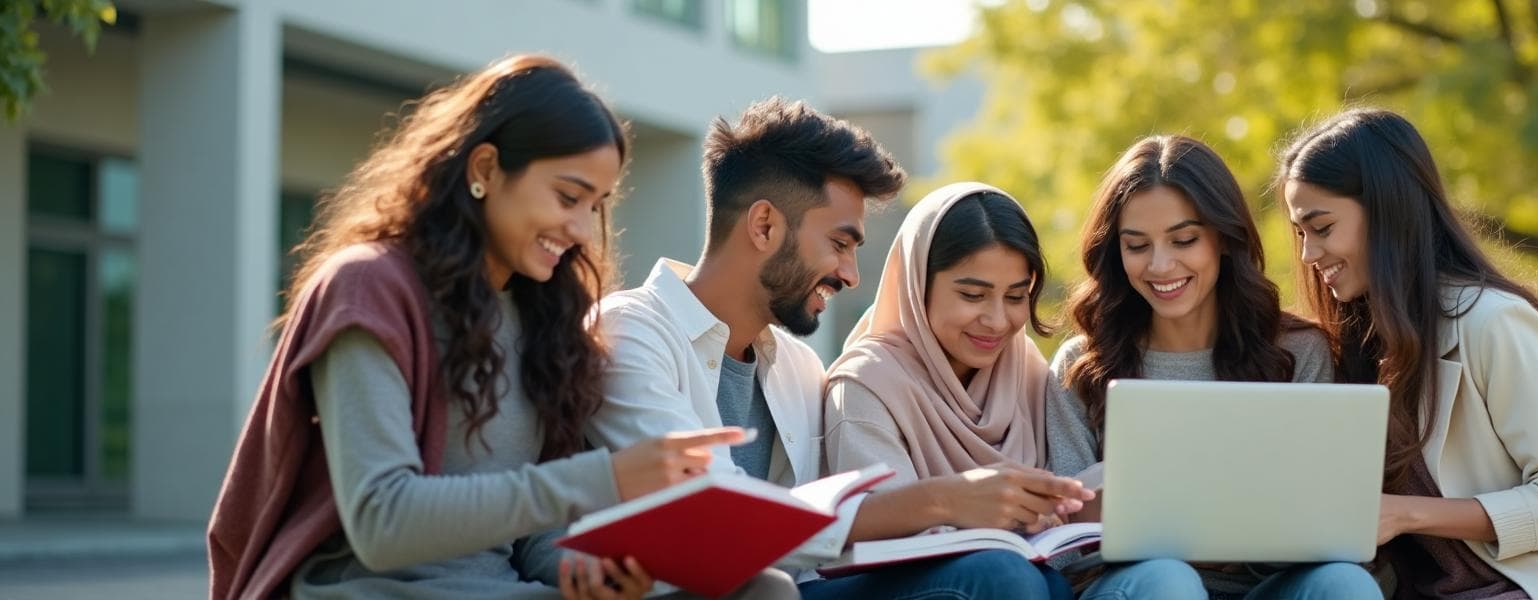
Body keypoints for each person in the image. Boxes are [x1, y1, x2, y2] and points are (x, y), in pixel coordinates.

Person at [207, 55, 783, 600]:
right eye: (567, 197)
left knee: (764, 588)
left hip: (504, 588)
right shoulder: (368, 288)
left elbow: (529, 539)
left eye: (596, 205)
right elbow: (381, 521)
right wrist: (606, 477)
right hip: (374, 590)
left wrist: (584, 568)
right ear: (484, 168)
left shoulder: (544, 317)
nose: (583, 229)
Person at [591, 99, 1088, 599]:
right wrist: (941, 501)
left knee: (1035, 579)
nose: (851, 275)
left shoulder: (799, 369)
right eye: (839, 243)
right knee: (996, 577)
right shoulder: (631, 332)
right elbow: (720, 519)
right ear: (764, 225)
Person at [1276, 107, 1538, 599]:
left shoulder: (1494, 323)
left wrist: (1403, 514)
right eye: (1299, 232)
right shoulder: (1354, 342)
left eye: (1321, 228)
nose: (1308, 255)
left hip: (1537, 586)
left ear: (1387, 211)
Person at [824, 181, 1204, 599]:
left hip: (1030, 580)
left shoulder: (1022, 369)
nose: (997, 320)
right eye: (973, 295)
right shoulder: (866, 383)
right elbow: (869, 524)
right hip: (923, 587)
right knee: (1010, 576)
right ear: (917, 285)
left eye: (1016, 296)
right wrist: (971, 507)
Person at [1048, 135, 1381, 599]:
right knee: (1171, 581)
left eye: (1184, 240)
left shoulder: (1299, 351)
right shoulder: (1081, 364)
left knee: (1343, 583)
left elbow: (1325, 531)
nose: (1161, 266)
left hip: (1261, 585)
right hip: (1142, 587)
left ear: (1224, 239)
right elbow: (1066, 550)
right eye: (1137, 245)